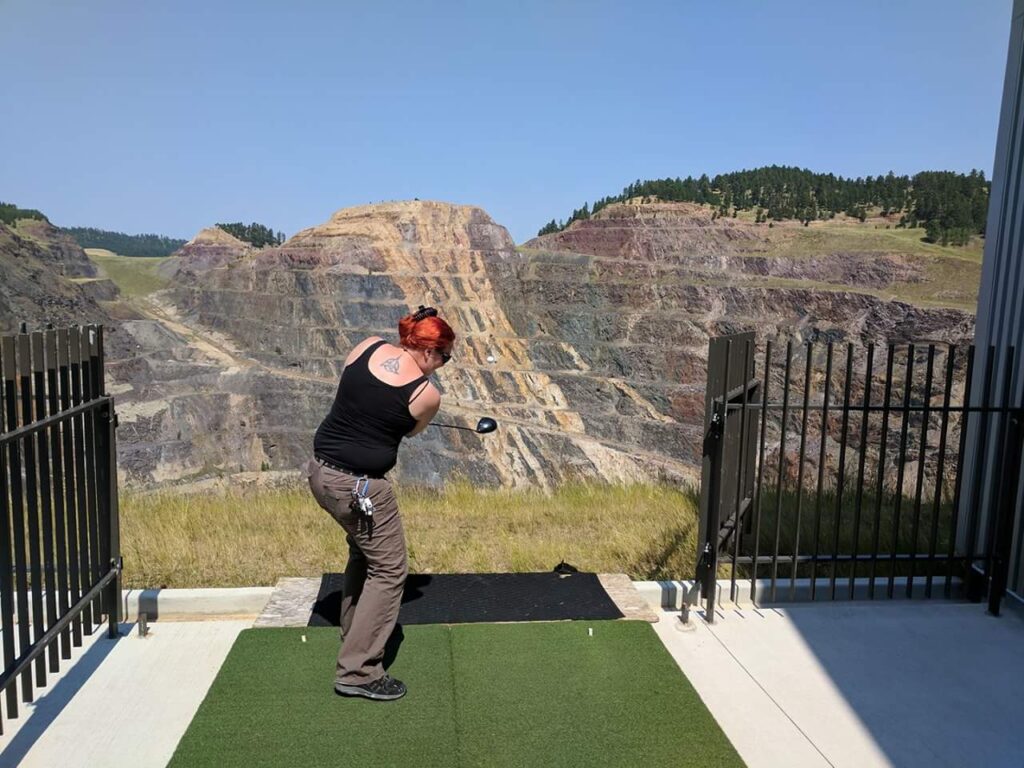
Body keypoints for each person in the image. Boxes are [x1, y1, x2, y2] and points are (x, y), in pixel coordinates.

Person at [305, 305, 454, 701]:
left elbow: (357, 397)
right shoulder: (426, 394)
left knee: (364, 554)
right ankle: (358, 671)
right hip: (361, 488)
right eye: (443, 357)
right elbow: (414, 431)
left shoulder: (365, 346)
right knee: (390, 570)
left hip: (319, 474)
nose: (441, 366)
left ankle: (355, 633)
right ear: (427, 351)